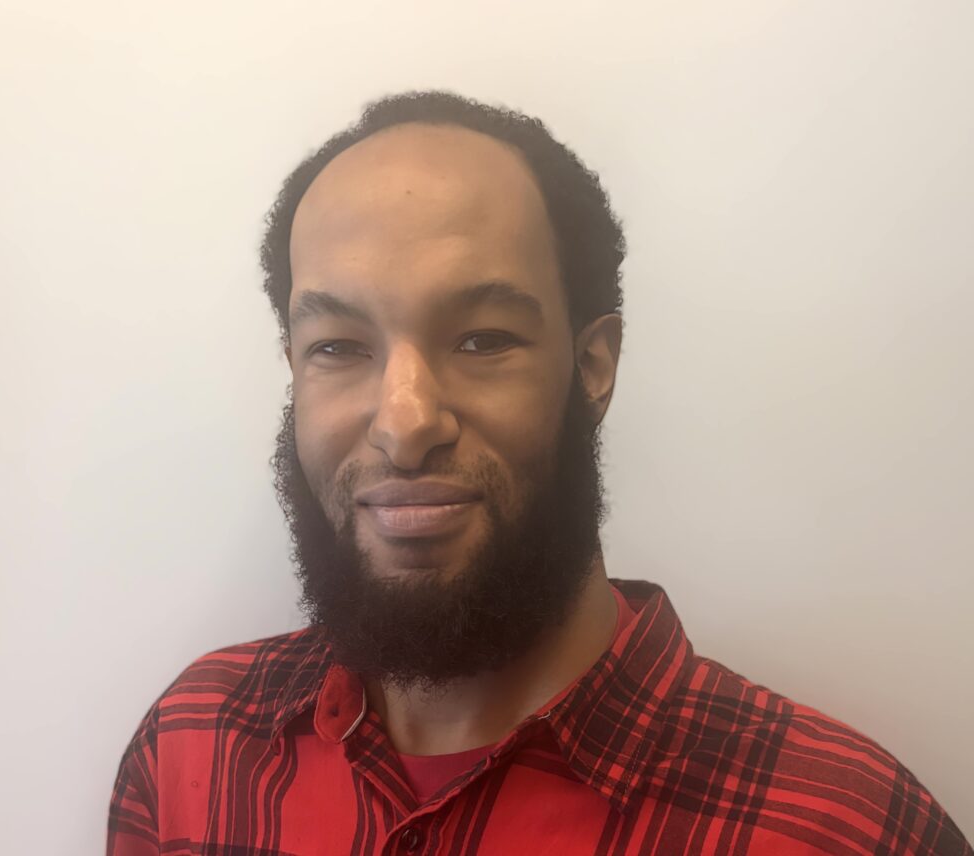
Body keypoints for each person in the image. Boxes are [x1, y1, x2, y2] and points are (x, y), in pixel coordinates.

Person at [107, 91, 971, 855]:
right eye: (337, 347)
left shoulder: (842, 828)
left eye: (483, 339)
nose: (405, 425)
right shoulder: (195, 745)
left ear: (593, 366)